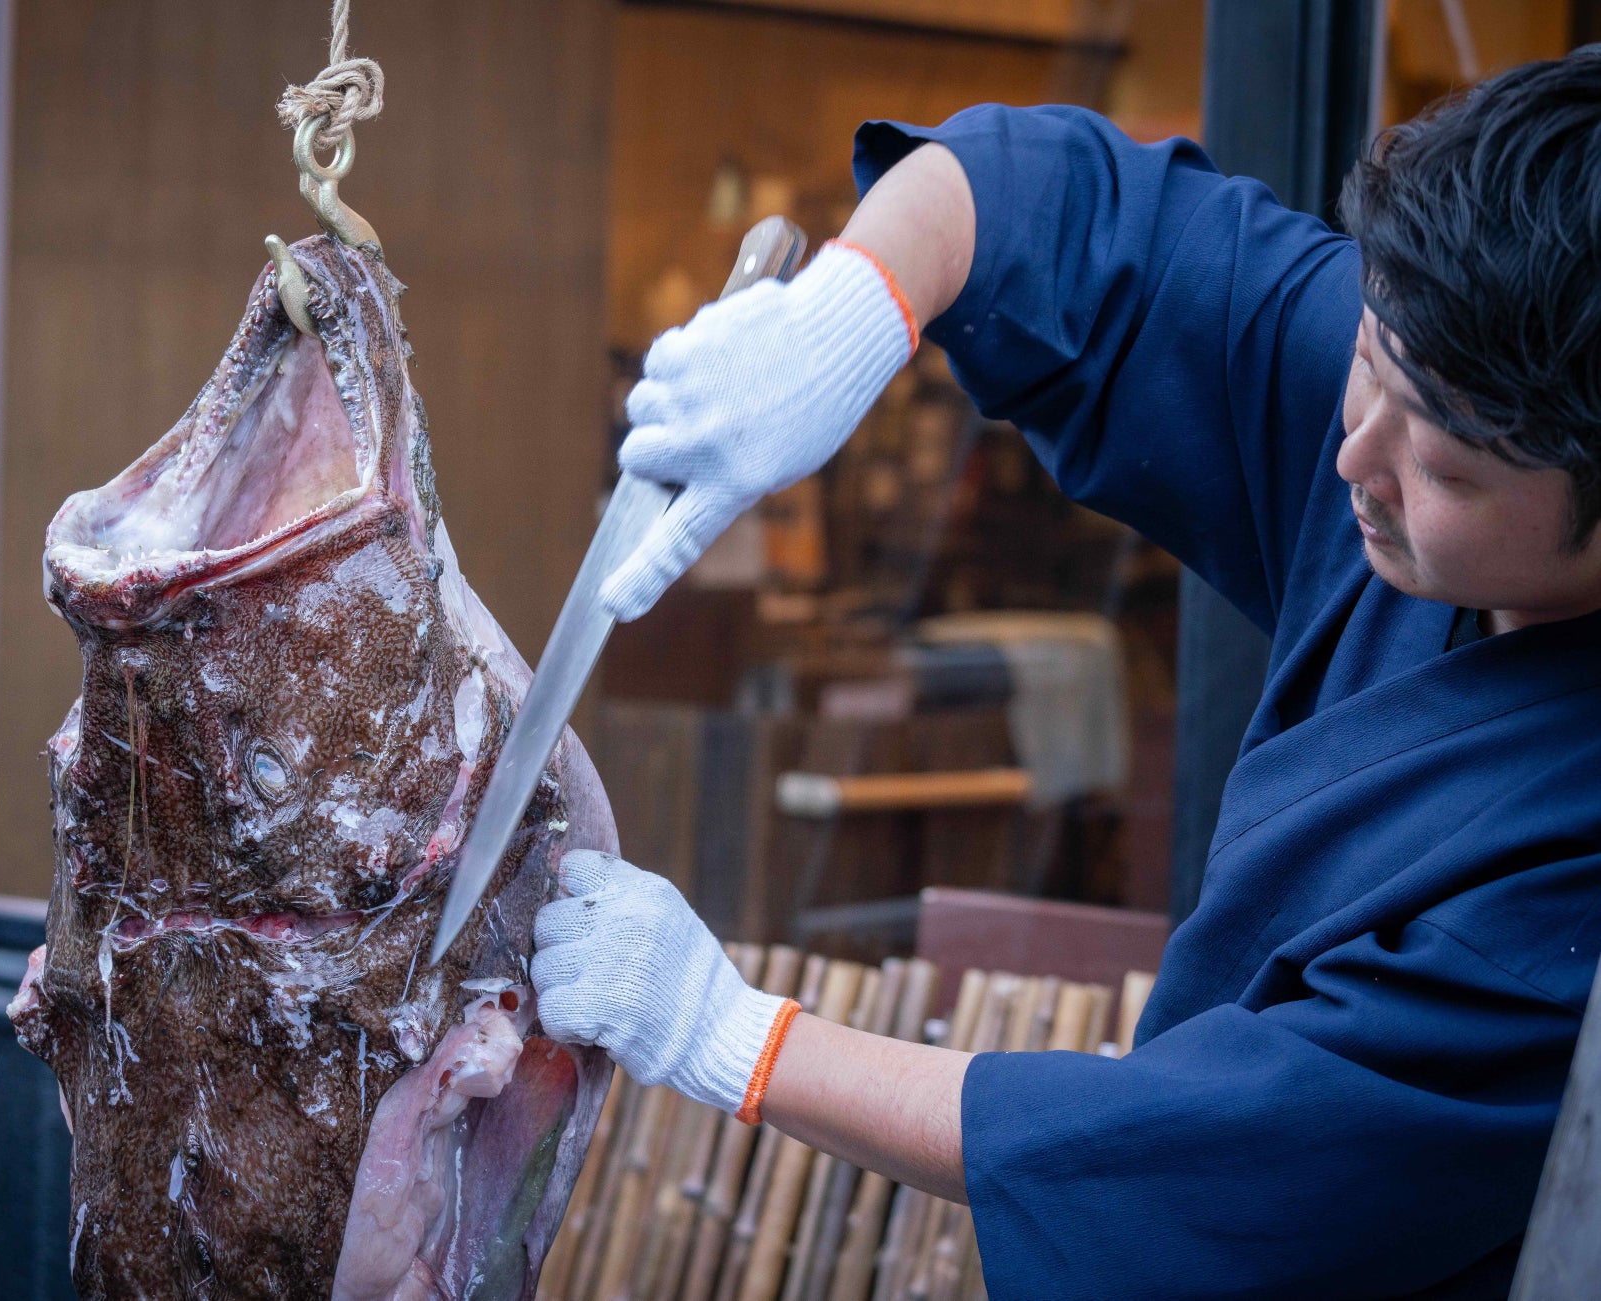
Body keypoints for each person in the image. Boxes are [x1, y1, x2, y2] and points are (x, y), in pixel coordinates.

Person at [528, 49, 1601, 1300]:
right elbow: (1056, 204)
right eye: (1367, 363)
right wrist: (855, 314)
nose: (1359, 453)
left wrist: (727, 1033)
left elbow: (1213, 1156)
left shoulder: (1564, 890)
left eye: (1451, 473)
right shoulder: (1436, 358)